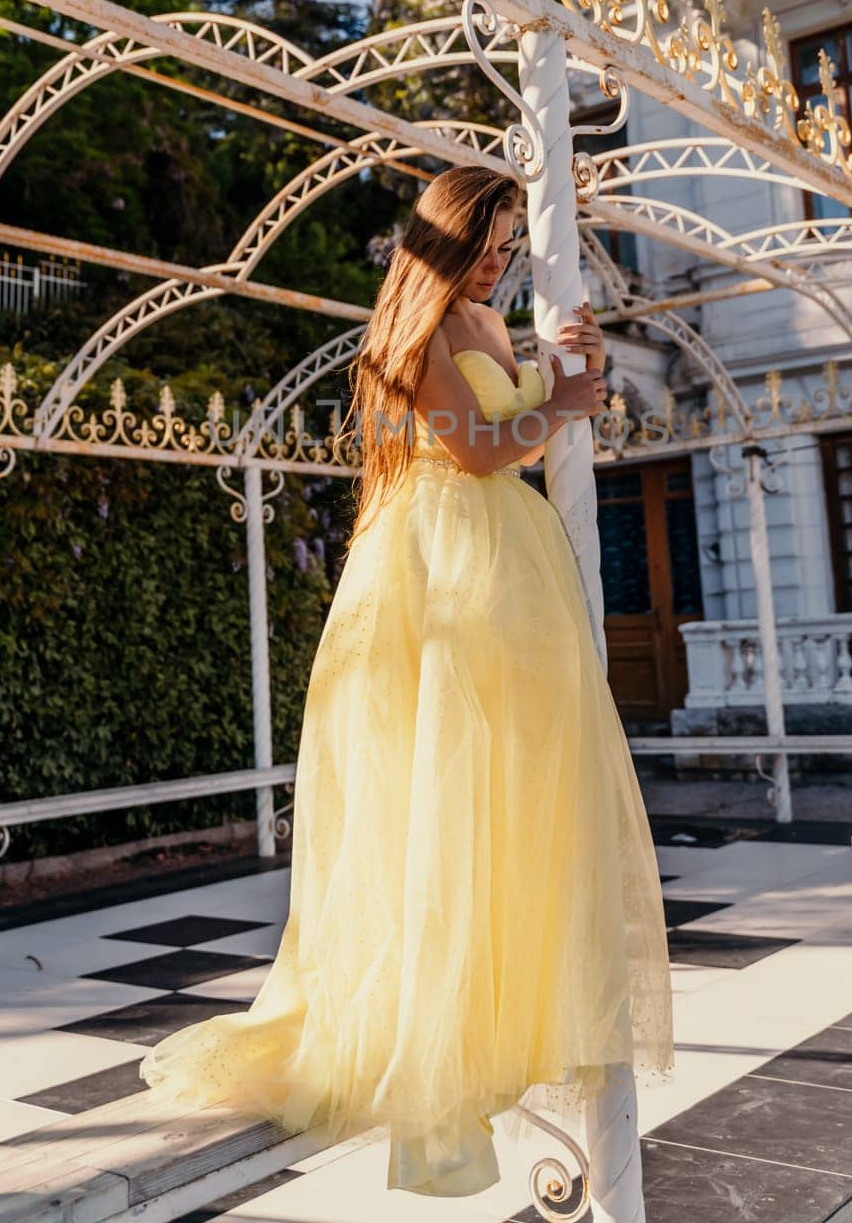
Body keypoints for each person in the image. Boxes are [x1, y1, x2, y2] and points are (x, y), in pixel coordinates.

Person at [139, 164, 674, 1200]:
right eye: (486, 240)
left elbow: (525, 426)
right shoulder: (418, 335)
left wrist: (572, 373)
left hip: (510, 576)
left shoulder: (488, 325)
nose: (499, 260)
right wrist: (559, 402)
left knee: (513, 798)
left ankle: (502, 1012)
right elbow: (475, 449)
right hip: (440, 568)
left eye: (510, 243)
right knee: (441, 790)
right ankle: (428, 1031)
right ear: (442, 239)